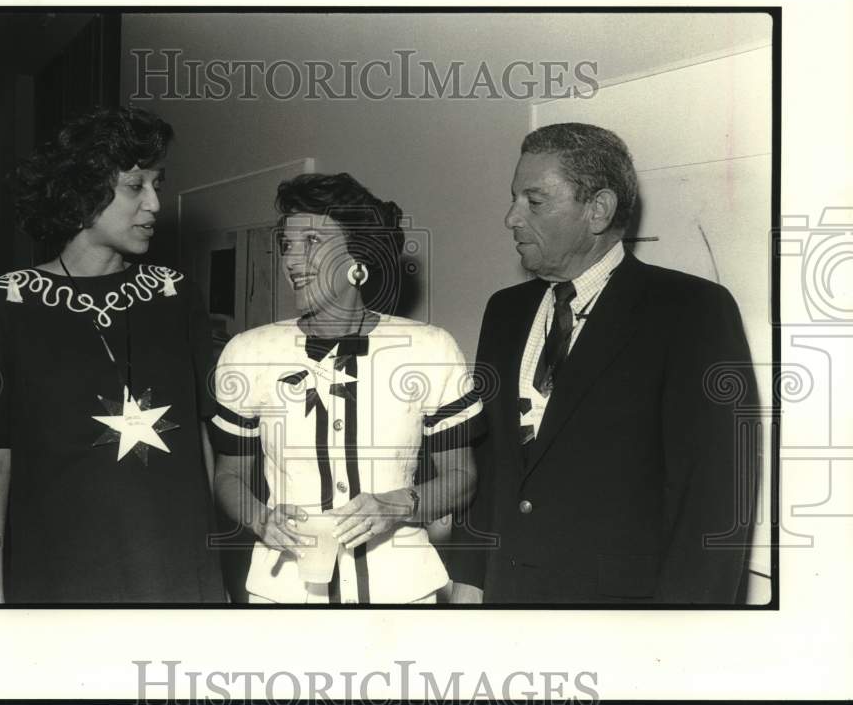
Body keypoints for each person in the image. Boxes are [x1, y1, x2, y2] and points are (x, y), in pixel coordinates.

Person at [451, 122, 757, 604]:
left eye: (534, 201)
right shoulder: (504, 311)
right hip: (504, 601)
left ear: (598, 210)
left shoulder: (691, 310)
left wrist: (689, 636)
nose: (511, 217)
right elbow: (491, 461)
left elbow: (714, 500)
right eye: (514, 198)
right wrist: (469, 574)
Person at [0, 106, 222, 604]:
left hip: (175, 567)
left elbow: (202, 439)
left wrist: (211, 570)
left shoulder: (175, 292)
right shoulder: (4, 303)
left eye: (157, 185)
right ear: (81, 195)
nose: (154, 204)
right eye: (135, 186)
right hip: (62, 569)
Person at [211, 173, 483, 604]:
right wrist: (261, 519)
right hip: (283, 592)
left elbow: (462, 478)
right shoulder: (248, 353)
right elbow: (228, 475)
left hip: (402, 592)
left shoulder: (430, 348)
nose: (292, 261)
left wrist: (396, 505)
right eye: (287, 245)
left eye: (313, 241)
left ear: (360, 258)